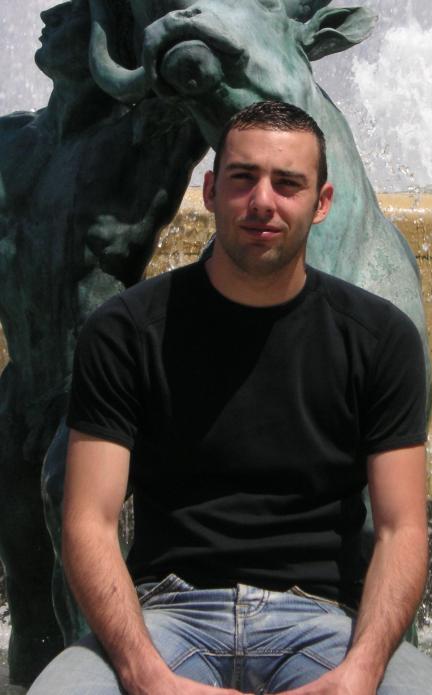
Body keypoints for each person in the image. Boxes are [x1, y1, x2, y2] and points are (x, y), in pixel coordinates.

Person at [28, 101, 432, 695]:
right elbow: (89, 521)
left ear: (322, 203)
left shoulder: (379, 338)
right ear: (209, 191)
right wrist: (145, 675)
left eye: (288, 184)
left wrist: (359, 673)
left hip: (321, 619)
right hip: (166, 615)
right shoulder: (126, 331)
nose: (263, 201)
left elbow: (400, 530)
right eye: (243, 178)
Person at [0, 0, 206, 684]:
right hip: (19, 389)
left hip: (88, 392)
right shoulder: (9, 142)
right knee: (24, 582)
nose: (47, 16)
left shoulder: (145, 141)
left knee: (77, 578)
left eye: (74, 12)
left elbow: (211, 68)